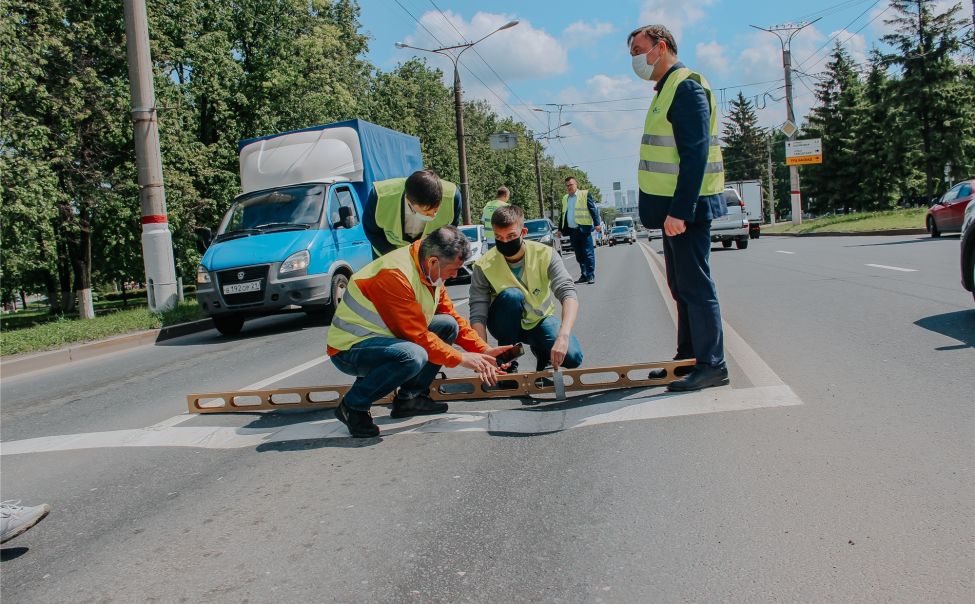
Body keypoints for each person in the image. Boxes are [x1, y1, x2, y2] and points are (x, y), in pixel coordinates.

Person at [326, 226, 511, 438]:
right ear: (433, 261)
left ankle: (410, 399)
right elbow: (418, 337)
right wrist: (463, 358)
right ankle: (353, 406)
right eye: (453, 269)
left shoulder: (429, 270)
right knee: (413, 355)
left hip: (386, 339)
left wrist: (484, 350)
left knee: (448, 325)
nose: (454, 275)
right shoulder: (395, 275)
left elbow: (454, 319)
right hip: (350, 349)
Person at [628, 24, 729, 392]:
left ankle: (711, 364)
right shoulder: (666, 88)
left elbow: (695, 153)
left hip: (687, 210)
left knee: (696, 286)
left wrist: (681, 211)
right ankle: (688, 358)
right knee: (681, 285)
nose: (635, 59)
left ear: (662, 45)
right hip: (676, 210)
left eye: (638, 50)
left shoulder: (685, 87)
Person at [469, 205, 583, 373]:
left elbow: (567, 292)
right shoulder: (483, 265)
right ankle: (508, 362)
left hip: (539, 320)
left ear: (524, 232)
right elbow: (477, 312)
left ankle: (542, 350)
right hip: (505, 325)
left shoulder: (546, 254)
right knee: (512, 296)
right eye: (499, 237)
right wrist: (483, 354)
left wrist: (563, 336)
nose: (505, 242)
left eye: (511, 236)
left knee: (573, 358)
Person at [362, 168, 462, 257]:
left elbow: (450, 233)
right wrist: (395, 257)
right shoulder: (379, 196)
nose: (433, 216)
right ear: (409, 202)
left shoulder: (453, 197)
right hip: (387, 252)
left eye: (436, 210)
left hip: (428, 255)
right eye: (426, 212)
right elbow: (372, 231)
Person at [556, 177, 602, 284]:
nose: (569, 187)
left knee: (588, 253)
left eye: (571, 185)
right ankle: (584, 274)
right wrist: (560, 230)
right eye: (567, 185)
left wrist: (597, 223)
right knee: (579, 254)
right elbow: (563, 215)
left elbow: (593, 210)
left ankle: (591, 275)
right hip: (572, 231)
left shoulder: (584, 194)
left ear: (576, 184)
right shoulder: (565, 198)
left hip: (584, 229)